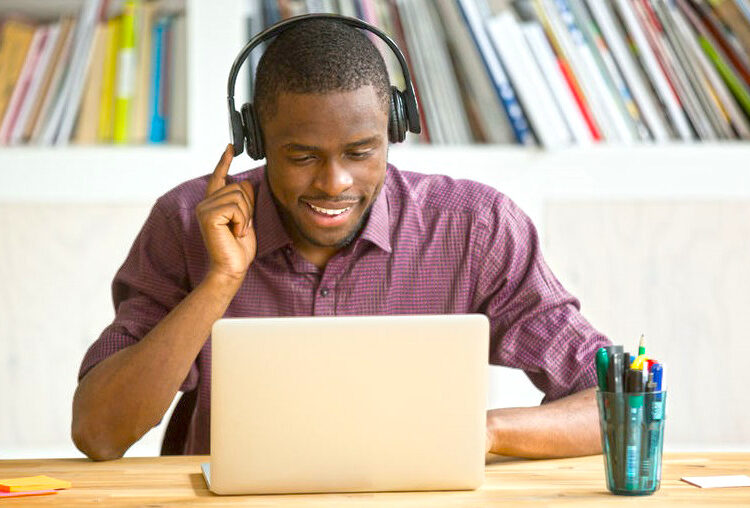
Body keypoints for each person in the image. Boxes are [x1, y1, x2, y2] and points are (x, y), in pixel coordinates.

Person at [72, 18, 610, 461]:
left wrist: (483, 431)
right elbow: (99, 432)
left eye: (360, 152)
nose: (334, 183)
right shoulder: (187, 220)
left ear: (395, 129)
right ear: (255, 139)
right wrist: (220, 282)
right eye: (302, 156)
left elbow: (614, 405)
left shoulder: (475, 227)